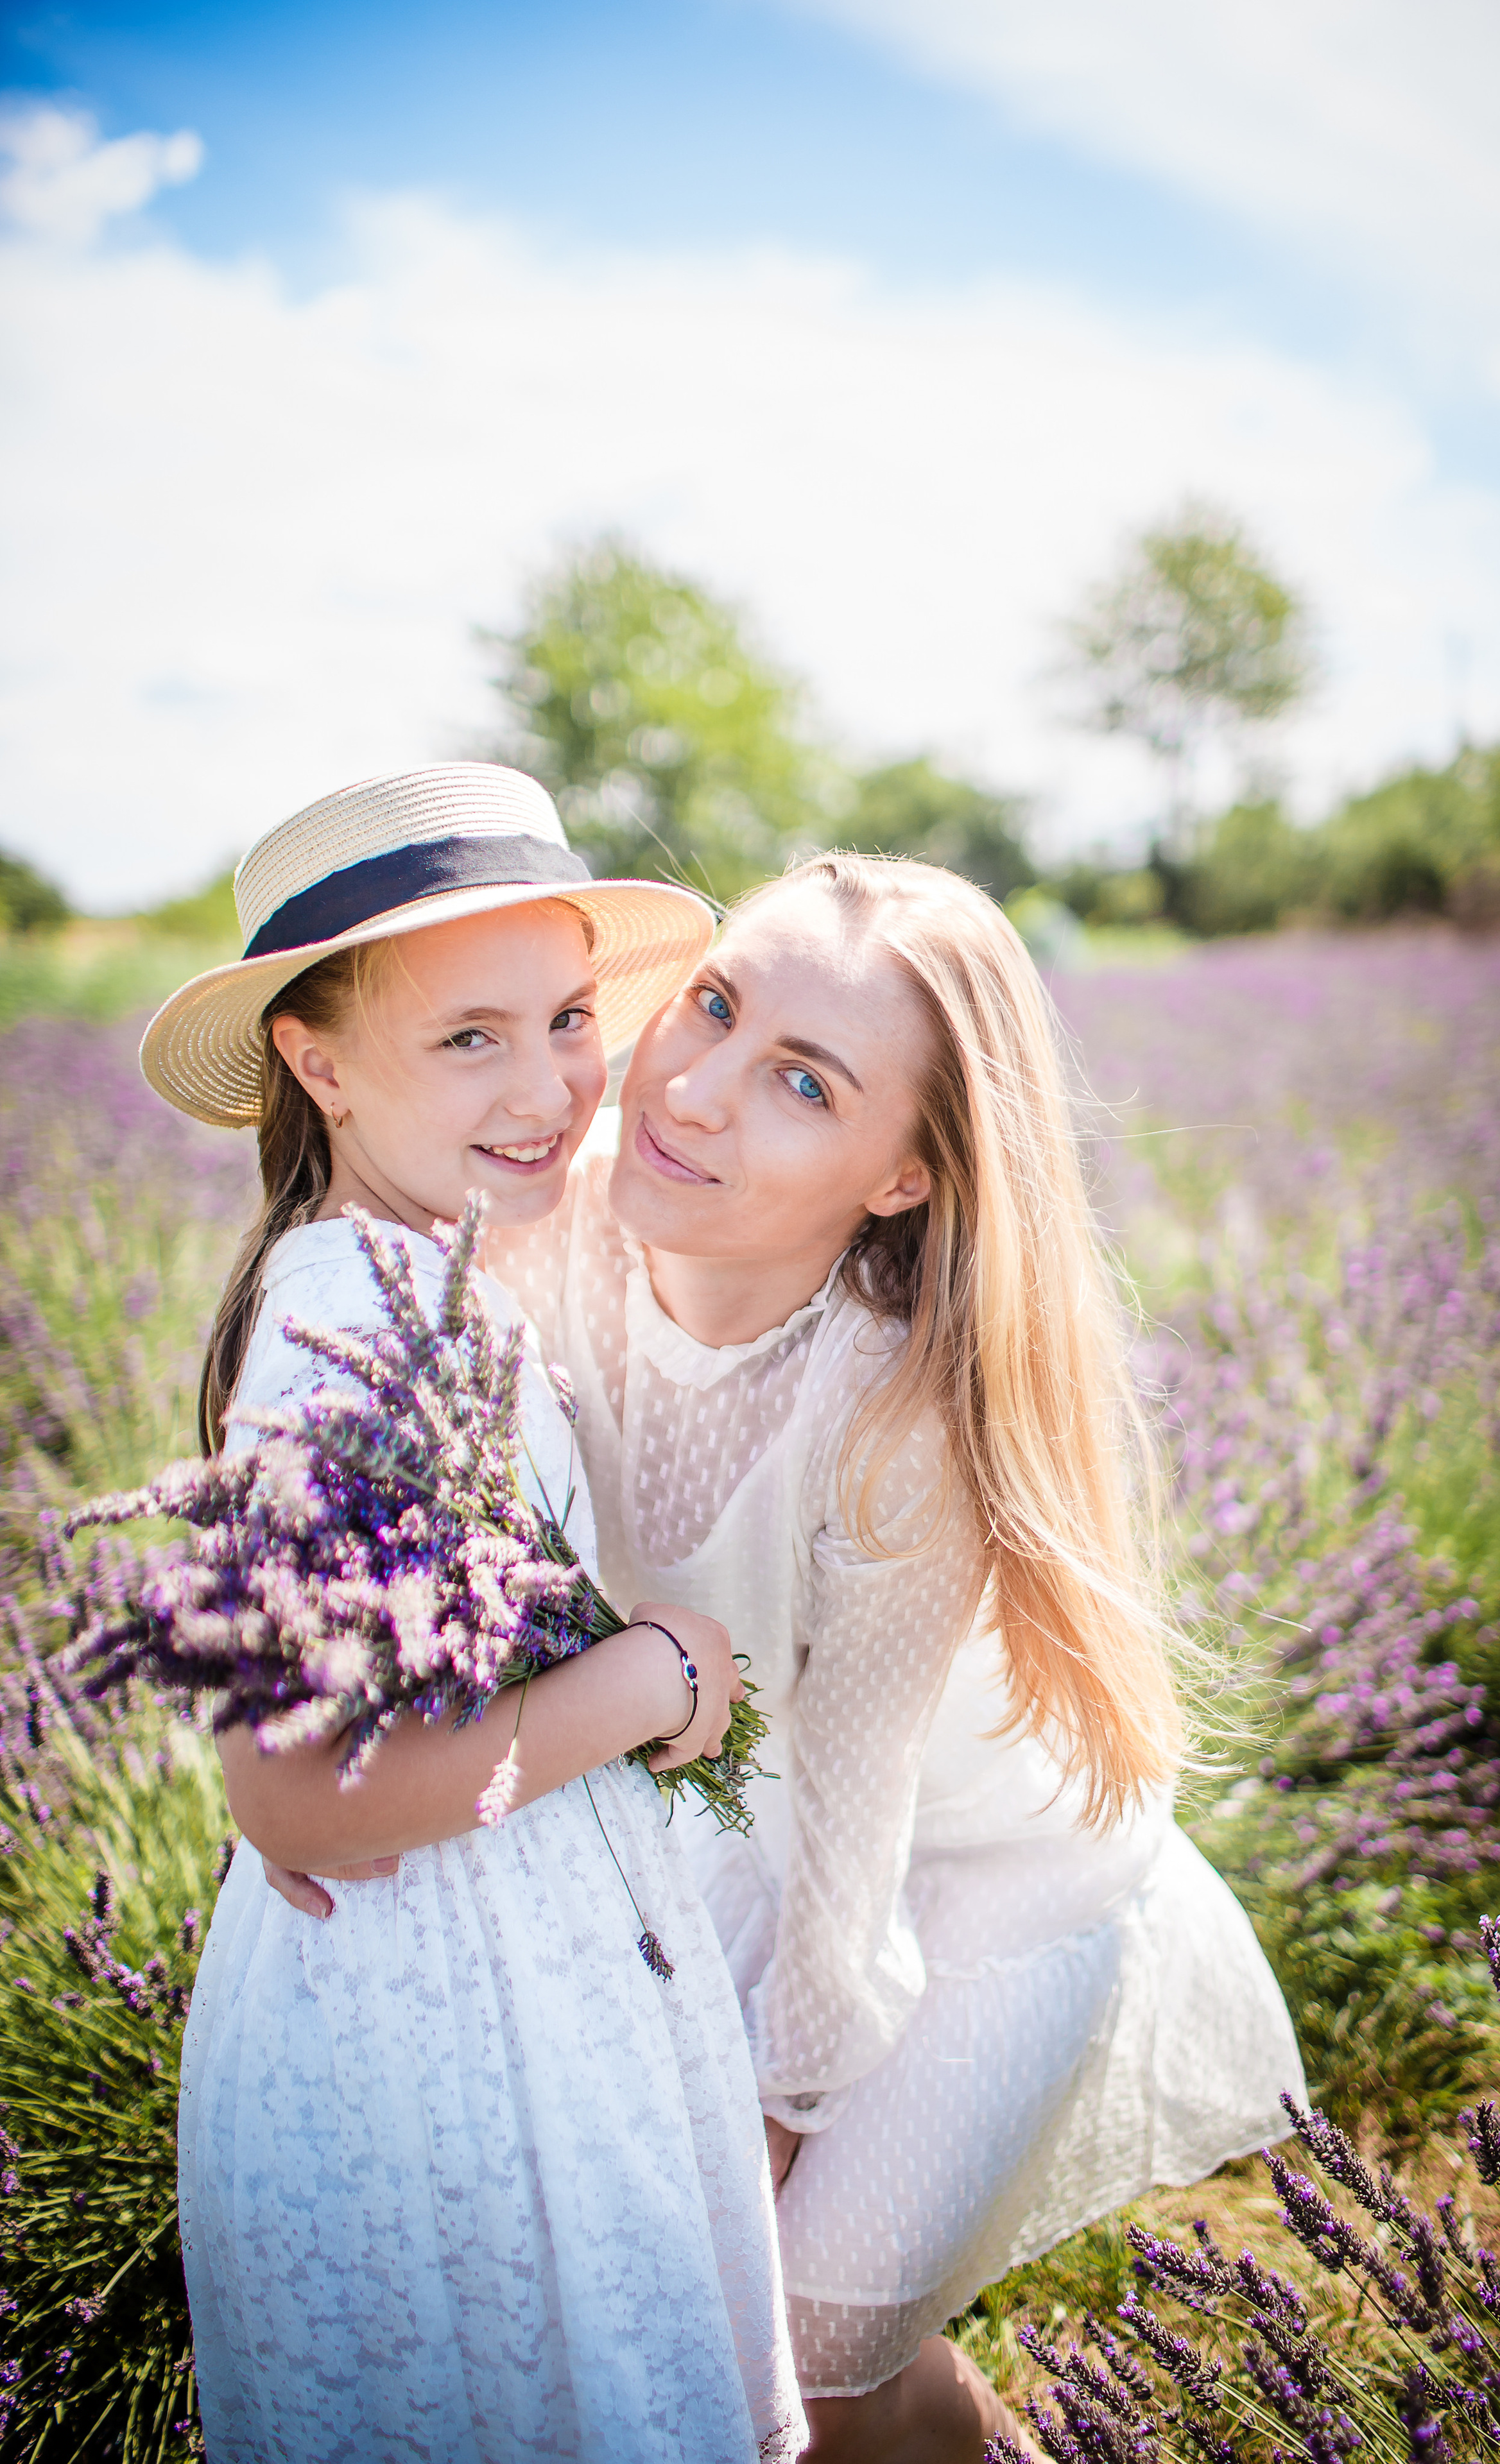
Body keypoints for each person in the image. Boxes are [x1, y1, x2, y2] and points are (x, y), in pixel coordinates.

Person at [269, 852, 1306, 2464]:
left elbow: (850, 1836)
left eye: (801, 1084)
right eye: (711, 1007)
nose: (689, 1090)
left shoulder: (890, 1425)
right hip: (729, 1815)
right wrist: (344, 1780)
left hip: (979, 1882)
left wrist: (747, 2146)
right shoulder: (554, 1216)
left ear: (899, 1176)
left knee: (814, 2376)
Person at [145, 764, 804, 2463]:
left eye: (572, 1017)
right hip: (440, 2058)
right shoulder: (349, 1328)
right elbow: (298, 1798)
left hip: (508, 1996)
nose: (552, 1087)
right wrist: (654, 1677)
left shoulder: (421, 1266)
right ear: (315, 1057)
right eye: (470, 1040)